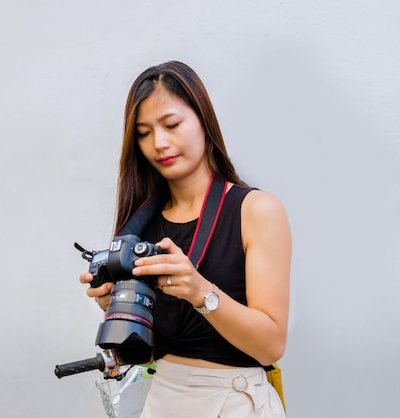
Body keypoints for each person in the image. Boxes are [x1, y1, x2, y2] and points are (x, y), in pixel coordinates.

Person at [80, 61, 291, 418]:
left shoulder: (256, 210)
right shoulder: (141, 226)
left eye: (172, 125)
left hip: (234, 401)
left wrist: (200, 292)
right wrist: (117, 310)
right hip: (163, 399)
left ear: (204, 120)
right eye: (144, 133)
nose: (159, 143)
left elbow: (270, 347)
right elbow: (149, 355)